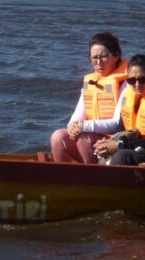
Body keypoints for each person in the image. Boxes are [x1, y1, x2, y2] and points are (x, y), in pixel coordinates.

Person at [49, 32, 128, 164]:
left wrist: (83, 126)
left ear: (116, 56)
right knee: (58, 136)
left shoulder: (127, 83)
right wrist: (72, 126)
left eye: (103, 57)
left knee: (83, 137)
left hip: (114, 143)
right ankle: (64, 178)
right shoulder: (92, 82)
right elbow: (78, 115)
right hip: (90, 136)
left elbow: (116, 124)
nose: (98, 62)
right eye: (94, 58)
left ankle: (94, 178)